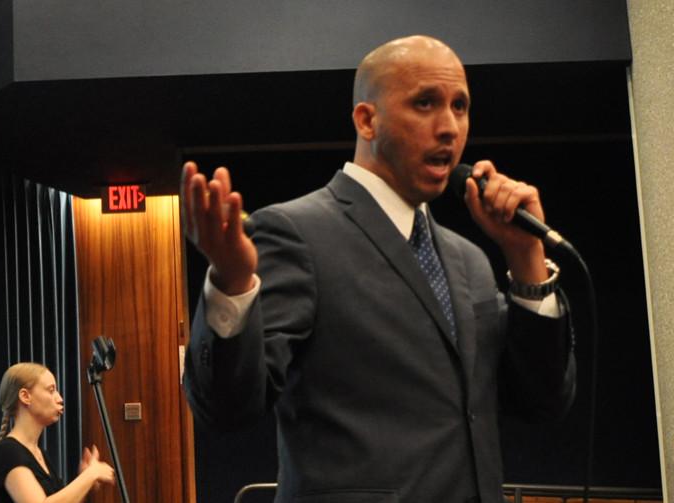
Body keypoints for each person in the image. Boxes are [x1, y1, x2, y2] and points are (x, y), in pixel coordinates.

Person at [181, 35, 576, 502]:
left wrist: (526, 260)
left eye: (460, 106)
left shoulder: (469, 260)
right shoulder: (297, 232)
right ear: (367, 120)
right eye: (426, 103)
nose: (449, 127)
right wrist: (231, 283)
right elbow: (226, 411)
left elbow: (543, 401)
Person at [0, 362, 115, 503]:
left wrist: (84, 481)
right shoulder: (6, 452)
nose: (60, 399)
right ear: (25, 396)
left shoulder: (39, 453)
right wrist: (90, 475)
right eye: (51, 390)